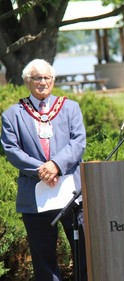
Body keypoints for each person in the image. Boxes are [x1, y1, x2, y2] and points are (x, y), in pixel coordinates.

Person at [1, 59, 87, 281]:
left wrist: (56, 165)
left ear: (53, 80)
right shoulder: (12, 115)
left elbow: (78, 142)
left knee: (84, 251)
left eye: (47, 77)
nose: (42, 82)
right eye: (37, 78)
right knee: (43, 257)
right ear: (27, 81)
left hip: (71, 193)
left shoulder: (70, 108)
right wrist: (42, 170)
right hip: (35, 193)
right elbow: (11, 150)